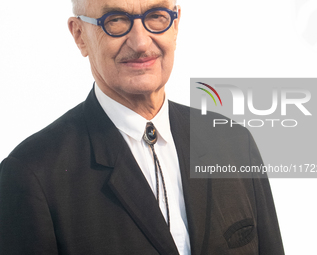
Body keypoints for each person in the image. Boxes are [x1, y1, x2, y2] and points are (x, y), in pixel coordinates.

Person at [0, 0, 284, 254]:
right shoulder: (32, 174)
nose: (141, 43)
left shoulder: (234, 143)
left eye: (156, 16)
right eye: (116, 20)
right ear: (79, 35)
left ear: (176, 24)